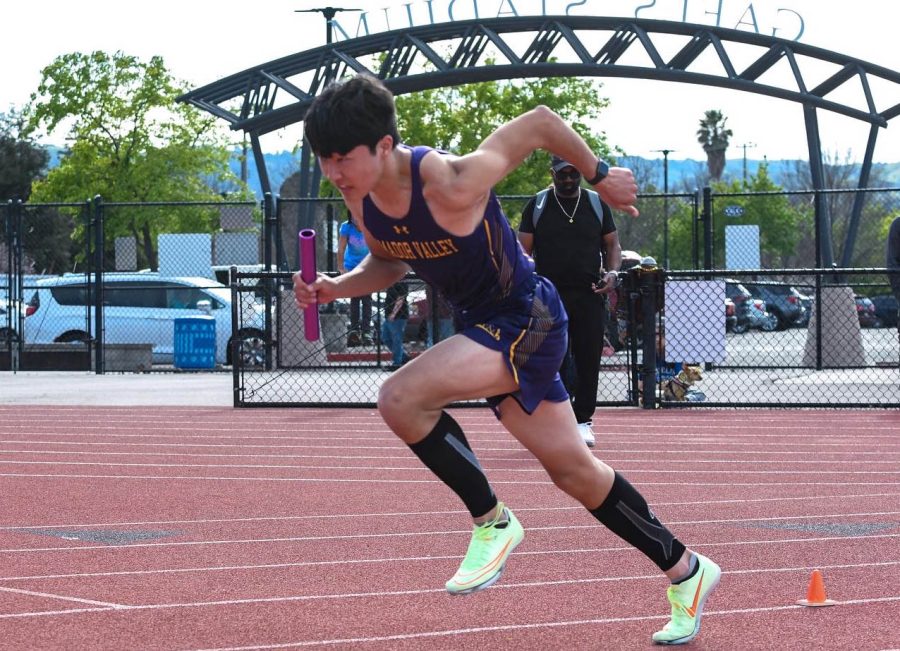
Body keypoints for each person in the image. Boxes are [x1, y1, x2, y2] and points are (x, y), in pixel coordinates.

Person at [294, 73, 720, 646]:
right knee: (575, 472)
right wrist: (337, 287)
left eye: (343, 157)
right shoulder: (357, 194)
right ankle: (686, 570)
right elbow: (390, 262)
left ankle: (492, 520)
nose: (333, 172)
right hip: (485, 327)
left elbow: (541, 122)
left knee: (400, 397)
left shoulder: (449, 179)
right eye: (325, 159)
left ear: (386, 147)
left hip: (528, 317)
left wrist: (599, 177)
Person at [518, 156, 622, 447]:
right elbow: (523, 251)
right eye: (562, 174)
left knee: (589, 357)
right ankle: (557, 421)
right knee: (554, 359)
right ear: (552, 174)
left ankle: (583, 421)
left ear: (580, 174)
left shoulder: (596, 204)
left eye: (573, 174)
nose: (567, 180)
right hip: (549, 296)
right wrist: (528, 285)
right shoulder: (538, 205)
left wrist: (612, 273)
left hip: (590, 293)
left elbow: (612, 243)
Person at [337, 212, 373, 346]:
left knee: (367, 298)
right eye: (353, 216)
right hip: (351, 265)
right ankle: (354, 329)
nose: (356, 219)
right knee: (355, 298)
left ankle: (366, 331)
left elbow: (377, 248)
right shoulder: (347, 227)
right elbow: (341, 249)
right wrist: (341, 268)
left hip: (367, 266)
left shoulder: (370, 227)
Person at [381, 279, 410, 370]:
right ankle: (404, 357)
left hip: (399, 316)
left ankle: (396, 363)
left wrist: (394, 313)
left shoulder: (403, 282)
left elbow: (400, 299)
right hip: (388, 314)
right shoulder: (391, 281)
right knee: (386, 338)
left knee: (397, 339)